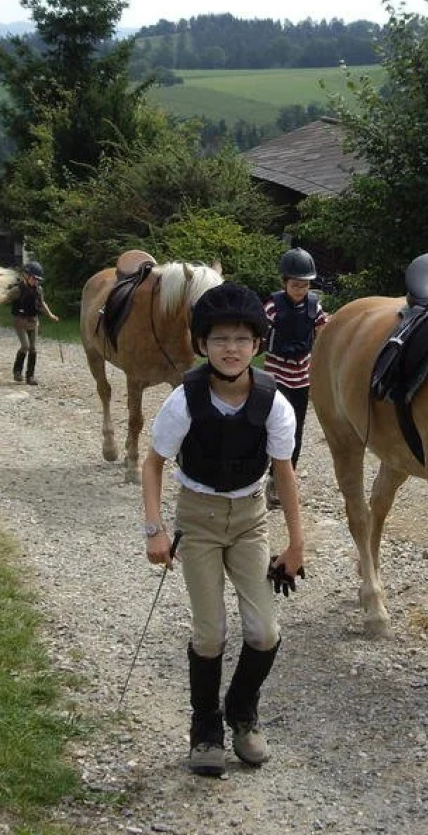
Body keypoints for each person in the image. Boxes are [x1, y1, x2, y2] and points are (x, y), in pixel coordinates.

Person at [141, 282, 307, 778]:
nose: (230, 349)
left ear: (257, 343)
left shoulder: (274, 402)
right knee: (210, 632)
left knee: (264, 631)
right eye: (218, 339)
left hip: (251, 519)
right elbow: (153, 465)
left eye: (241, 338)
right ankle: (205, 727)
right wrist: (154, 529)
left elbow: (284, 472)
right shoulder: (184, 401)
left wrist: (296, 542)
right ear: (202, 345)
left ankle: (241, 712)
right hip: (198, 517)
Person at [262, 247, 330, 506]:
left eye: (304, 285)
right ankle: (261, 473)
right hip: (276, 375)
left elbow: (323, 329)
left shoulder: (314, 305)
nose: (300, 290)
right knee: (270, 426)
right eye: (295, 285)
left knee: (295, 430)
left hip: (301, 377)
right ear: (284, 282)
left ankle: (281, 479)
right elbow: (259, 333)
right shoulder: (272, 306)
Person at [10, 260, 60, 384]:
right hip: (20, 321)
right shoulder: (18, 289)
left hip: (33, 321)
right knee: (25, 346)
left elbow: (42, 304)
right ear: (26, 276)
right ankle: (17, 371)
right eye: (34, 278)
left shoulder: (39, 290)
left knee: (33, 349)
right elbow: (5, 297)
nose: (36, 281)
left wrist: (51, 315)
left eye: (38, 279)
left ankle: (30, 376)